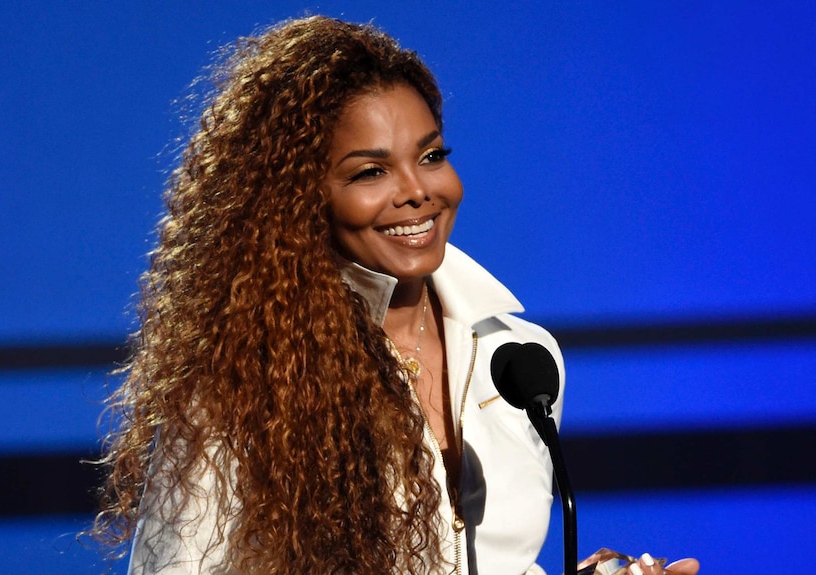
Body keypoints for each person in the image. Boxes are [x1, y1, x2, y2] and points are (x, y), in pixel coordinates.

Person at [92, 15, 698, 575]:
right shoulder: (238, 388)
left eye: (431, 156)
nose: (418, 192)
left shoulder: (519, 357)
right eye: (369, 171)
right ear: (297, 198)